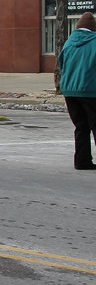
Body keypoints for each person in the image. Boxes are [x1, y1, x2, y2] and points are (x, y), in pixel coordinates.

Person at [56, 12, 96, 170]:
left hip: (70, 91)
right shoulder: (94, 42)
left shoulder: (69, 42)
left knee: (81, 126)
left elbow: (61, 63)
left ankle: (82, 161)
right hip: (90, 90)